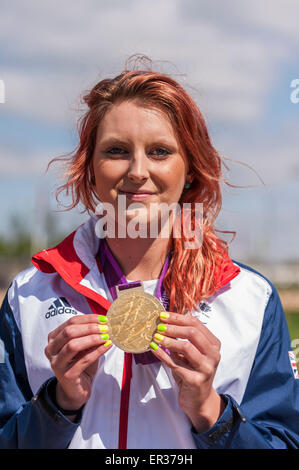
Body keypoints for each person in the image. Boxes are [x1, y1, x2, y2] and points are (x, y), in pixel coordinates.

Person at [0, 62, 298, 450]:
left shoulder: (250, 300)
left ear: (190, 168)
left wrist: (211, 412)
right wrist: (59, 404)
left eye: (160, 151)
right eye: (116, 151)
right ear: (89, 169)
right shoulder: (30, 296)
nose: (138, 171)